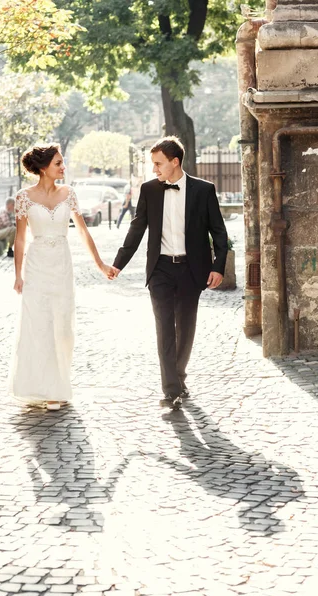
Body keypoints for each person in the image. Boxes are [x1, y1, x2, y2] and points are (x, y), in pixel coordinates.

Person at [112, 136, 228, 409]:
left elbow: (219, 232)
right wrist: (118, 263)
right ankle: (171, 390)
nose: (154, 170)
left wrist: (218, 266)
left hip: (191, 269)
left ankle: (178, 376)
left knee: (185, 329)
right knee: (165, 329)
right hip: (161, 269)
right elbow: (136, 229)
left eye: (158, 164)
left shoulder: (203, 190)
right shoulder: (149, 190)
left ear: (175, 162)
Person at [9, 143, 117, 411]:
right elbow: (20, 239)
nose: (63, 167)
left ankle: (58, 385)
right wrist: (18, 275)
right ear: (44, 168)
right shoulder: (24, 197)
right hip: (36, 266)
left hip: (61, 265)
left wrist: (101, 264)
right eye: (58, 163)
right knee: (38, 324)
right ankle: (44, 389)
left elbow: (82, 232)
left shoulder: (69, 194)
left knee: (63, 327)